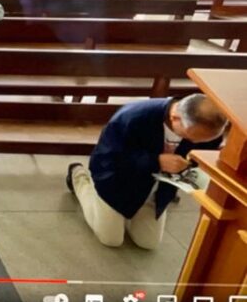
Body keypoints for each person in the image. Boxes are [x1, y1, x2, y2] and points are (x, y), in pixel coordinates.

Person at [66, 94, 227, 250]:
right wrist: (156, 161)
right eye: (192, 138)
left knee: (148, 243)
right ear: (175, 118)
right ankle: (79, 177)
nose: (197, 144)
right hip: (117, 182)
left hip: (159, 187)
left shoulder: (209, 129)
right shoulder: (133, 117)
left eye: (205, 141)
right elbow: (107, 158)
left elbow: (204, 158)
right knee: (111, 239)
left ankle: (132, 211)